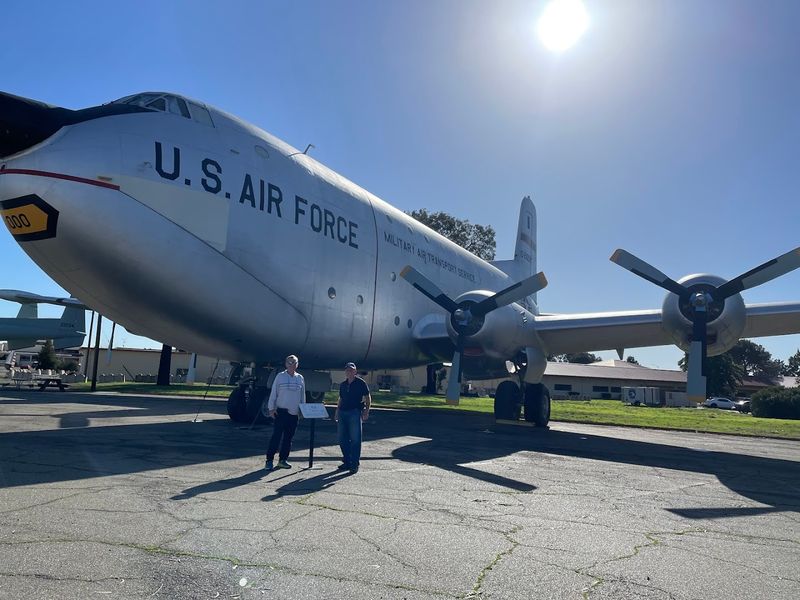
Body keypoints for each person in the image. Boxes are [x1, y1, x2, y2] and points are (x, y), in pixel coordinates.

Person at [264, 354, 305, 471]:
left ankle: (283, 460)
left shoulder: (300, 378)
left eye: (294, 363)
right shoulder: (280, 377)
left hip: (294, 413)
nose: (292, 365)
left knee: (288, 438)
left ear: (297, 365)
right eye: (289, 363)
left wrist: (303, 410)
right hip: (281, 412)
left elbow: (302, 395)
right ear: (286, 364)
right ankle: (269, 460)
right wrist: (271, 408)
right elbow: (273, 393)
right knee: (276, 437)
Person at [335, 362, 371, 473]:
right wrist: (337, 410)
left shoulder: (361, 383)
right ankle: (347, 461)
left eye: (351, 370)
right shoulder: (343, 384)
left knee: (355, 439)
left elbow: (367, 397)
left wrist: (366, 410)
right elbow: (340, 398)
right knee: (342, 439)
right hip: (342, 412)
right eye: (347, 370)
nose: (349, 372)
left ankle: (354, 464)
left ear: (355, 371)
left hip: (354, 413)